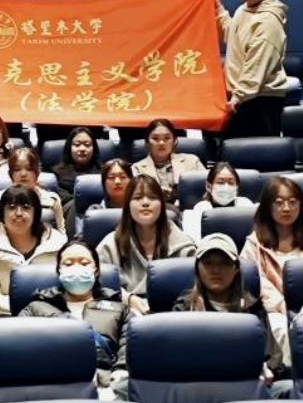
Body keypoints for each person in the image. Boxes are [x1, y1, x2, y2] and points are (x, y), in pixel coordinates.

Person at [171, 233, 288, 392]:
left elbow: (272, 358)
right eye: (207, 263)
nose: (215, 270)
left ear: (236, 268)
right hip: (200, 385)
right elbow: (177, 358)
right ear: (197, 268)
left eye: (224, 263)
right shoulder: (185, 307)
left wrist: (267, 370)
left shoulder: (252, 307)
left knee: (286, 388)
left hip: (246, 384)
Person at [17, 242, 130, 399]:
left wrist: (120, 374)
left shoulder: (120, 310)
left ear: (97, 270)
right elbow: (20, 349)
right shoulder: (35, 309)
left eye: (84, 263)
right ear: (59, 271)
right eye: (68, 264)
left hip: (106, 388)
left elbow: (130, 347)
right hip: (50, 386)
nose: (76, 268)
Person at [96, 175, 195, 314]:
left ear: (162, 204)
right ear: (127, 205)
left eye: (153, 198)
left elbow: (196, 287)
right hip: (124, 312)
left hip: (174, 313)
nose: (145, 203)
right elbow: (98, 284)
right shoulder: (110, 244)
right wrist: (128, 299)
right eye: (137, 198)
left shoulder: (184, 244)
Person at [242, 176, 303, 345]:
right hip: (272, 310)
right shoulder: (255, 243)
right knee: (279, 327)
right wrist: (282, 306)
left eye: (293, 202)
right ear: (267, 206)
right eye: (279, 203)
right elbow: (255, 281)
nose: (287, 208)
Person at [214, 0, 289, 138]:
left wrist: (238, 97)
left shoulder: (269, 21)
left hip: (259, 101)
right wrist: (217, 4)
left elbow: (257, 64)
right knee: (232, 151)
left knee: (256, 151)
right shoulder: (244, 9)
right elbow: (231, 34)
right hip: (241, 97)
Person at [0, 184, 68, 316]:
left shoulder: (58, 245)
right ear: (2, 214)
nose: (19, 213)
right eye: (11, 207)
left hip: (51, 317)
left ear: (36, 213)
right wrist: (29, 309)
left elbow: (67, 292)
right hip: (6, 318)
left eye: (26, 207)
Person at [0, 148, 66, 236]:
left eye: (29, 169)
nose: (23, 174)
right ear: (10, 174)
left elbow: (61, 233)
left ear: (37, 172)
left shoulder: (52, 200)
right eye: (17, 169)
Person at [129, 118, 206, 201]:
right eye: (155, 138)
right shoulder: (137, 168)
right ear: (147, 143)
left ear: (174, 141)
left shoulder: (192, 161)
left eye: (167, 138)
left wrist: (177, 194)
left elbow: (206, 187)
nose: (161, 143)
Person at [183, 162, 254, 239]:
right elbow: (194, 239)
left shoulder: (246, 205)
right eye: (220, 183)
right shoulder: (201, 208)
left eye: (231, 183)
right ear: (208, 186)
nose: (226, 187)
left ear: (237, 187)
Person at [51, 127, 102, 212]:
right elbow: (62, 199)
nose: (82, 149)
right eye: (77, 145)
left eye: (87, 145)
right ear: (69, 147)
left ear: (94, 148)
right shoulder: (57, 172)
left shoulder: (103, 171)